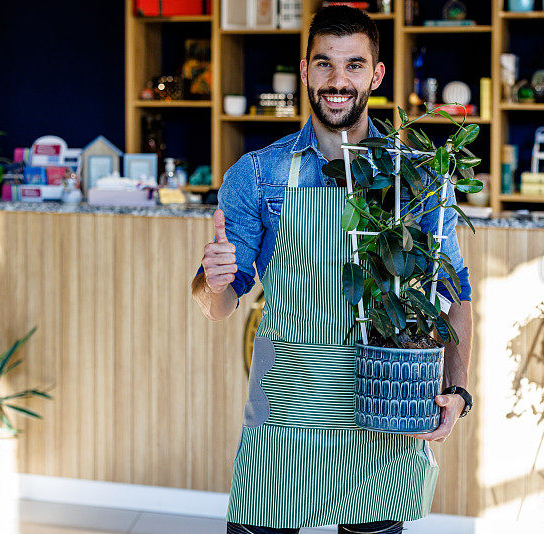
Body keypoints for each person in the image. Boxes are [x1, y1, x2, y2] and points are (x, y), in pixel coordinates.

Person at [191, 6, 473, 534]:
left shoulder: (413, 178)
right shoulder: (257, 174)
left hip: (384, 395)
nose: (338, 81)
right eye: (324, 65)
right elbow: (217, 307)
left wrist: (457, 390)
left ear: (376, 75)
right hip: (286, 400)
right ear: (304, 71)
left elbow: (455, 291)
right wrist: (216, 278)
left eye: (354, 65)